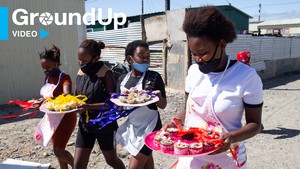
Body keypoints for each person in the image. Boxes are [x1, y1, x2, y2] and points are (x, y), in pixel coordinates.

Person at [163, 7, 263, 169]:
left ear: (221, 44)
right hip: (191, 153)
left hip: (226, 157)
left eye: (202, 53)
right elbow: (189, 110)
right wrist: (176, 122)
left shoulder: (246, 77)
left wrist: (231, 137)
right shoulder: (193, 72)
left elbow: (255, 124)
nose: (198, 59)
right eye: (193, 53)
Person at [74, 39, 125, 169]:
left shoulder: (106, 73)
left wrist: (89, 106)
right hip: (85, 124)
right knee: (78, 165)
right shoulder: (81, 72)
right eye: (79, 59)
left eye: (84, 60)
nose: (81, 63)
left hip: (104, 125)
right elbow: (74, 97)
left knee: (111, 160)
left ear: (96, 58)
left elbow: (113, 104)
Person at [115, 40, 167, 169]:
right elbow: (119, 106)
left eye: (147, 56)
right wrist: (120, 102)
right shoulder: (123, 79)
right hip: (133, 126)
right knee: (147, 164)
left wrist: (158, 97)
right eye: (141, 56)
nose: (145, 59)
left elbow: (163, 105)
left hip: (151, 126)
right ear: (130, 58)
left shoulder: (154, 77)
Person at [38, 45, 76, 169]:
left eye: (47, 67)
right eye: (43, 67)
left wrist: (47, 100)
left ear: (56, 63)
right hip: (52, 117)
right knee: (58, 151)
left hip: (65, 118)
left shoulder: (64, 78)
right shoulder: (48, 78)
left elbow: (67, 96)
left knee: (58, 150)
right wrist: (40, 101)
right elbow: (48, 97)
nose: (45, 70)